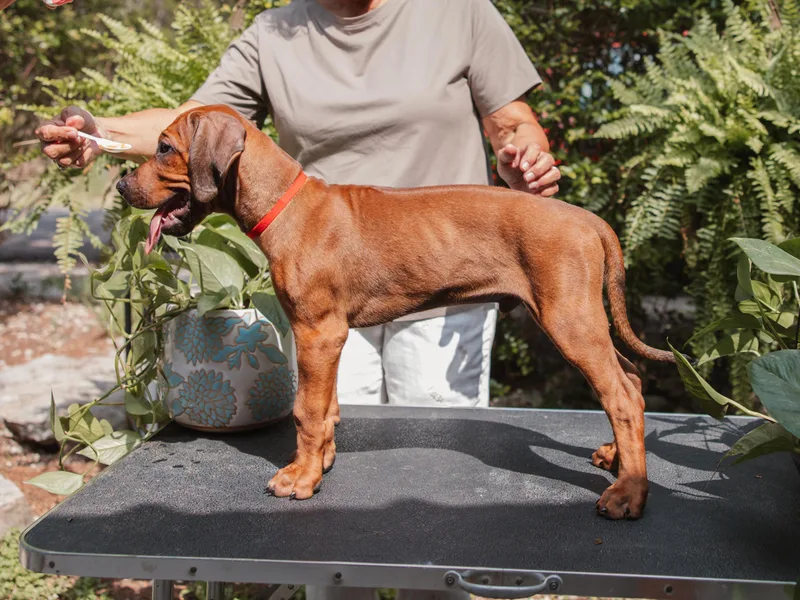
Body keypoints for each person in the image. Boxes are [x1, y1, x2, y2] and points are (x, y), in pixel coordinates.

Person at [37, 1, 559, 597]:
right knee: (327, 509)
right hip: (322, 280)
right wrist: (95, 133)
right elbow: (193, 123)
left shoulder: (458, 11)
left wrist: (525, 154)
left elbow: (511, 120)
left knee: (440, 491)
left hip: (446, 273)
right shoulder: (275, 32)